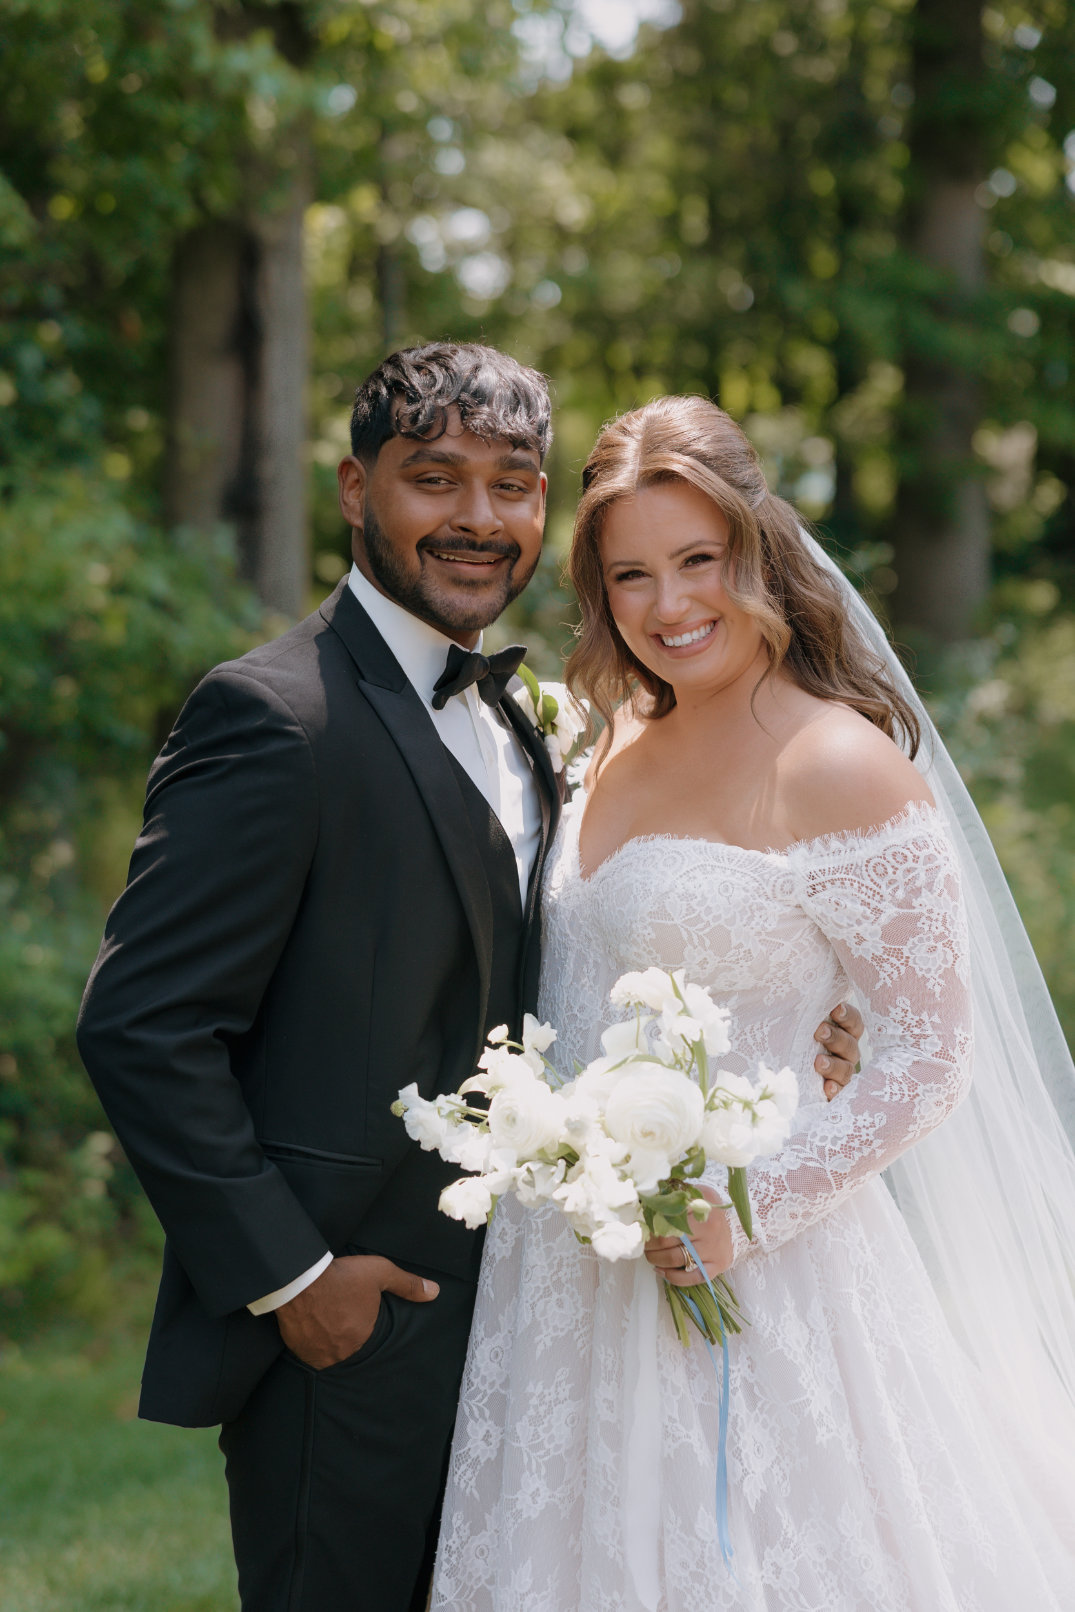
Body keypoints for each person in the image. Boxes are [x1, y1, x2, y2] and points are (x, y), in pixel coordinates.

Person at [76, 349, 864, 1612]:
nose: (477, 519)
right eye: (433, 479)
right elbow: (141, 1024)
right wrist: (293, 1278)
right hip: (353, 1331)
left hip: (542, 1329)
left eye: (511, 485)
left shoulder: (537, 725)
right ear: (354, 487)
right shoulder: (273, 717)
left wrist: (826, 1013)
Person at [431, 395, 1075, 1611]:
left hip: (762, 1268)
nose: (669, 606)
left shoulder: (834, 761)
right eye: (631, 575)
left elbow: (930, 1054)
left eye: (697, 562)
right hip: (569, 1272)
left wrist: (747, 1210)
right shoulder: (608, 735)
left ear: (758, 549)